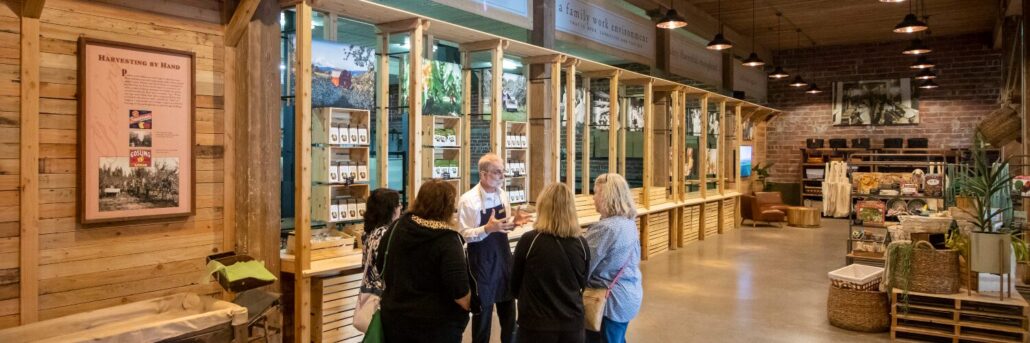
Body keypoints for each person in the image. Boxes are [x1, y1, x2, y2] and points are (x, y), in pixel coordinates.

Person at [377, 180, 471, 343]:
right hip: (436, 327)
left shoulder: (397, 227)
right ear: (447, 207)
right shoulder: (448, 240)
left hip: (395, 320)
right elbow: (460, 292)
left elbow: (380, 266)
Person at [457, 153, 531, 343]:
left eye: (502, 171)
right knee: (483, 315)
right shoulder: (468, 200)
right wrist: (486, 229)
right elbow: (463, 234)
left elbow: (502, 227)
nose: (502, 176)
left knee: (508, 313)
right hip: (481, 262)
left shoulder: (502, 194)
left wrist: (513, 224)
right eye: (497, 172)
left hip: (503, 258)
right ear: (483, 174)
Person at [511, 183, 589, 343]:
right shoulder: (581, 243)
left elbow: (514, 285)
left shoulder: (530, 241)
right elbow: (583, 282)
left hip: (535, 325)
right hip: (572, 325)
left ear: (542, 207)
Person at [584, 173, 643, 343]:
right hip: (627, 295)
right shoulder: (628, 222)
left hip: (608, 303)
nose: (593, 198)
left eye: (596, 193)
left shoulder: (606, 229)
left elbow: (584, 265)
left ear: (606, 197)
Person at [359, 188, 402, 296]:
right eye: (398, 205)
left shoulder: (369, 231)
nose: (400, 207)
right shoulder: (386, 234)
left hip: (369, 291)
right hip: (382, 295)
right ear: (390, 210)